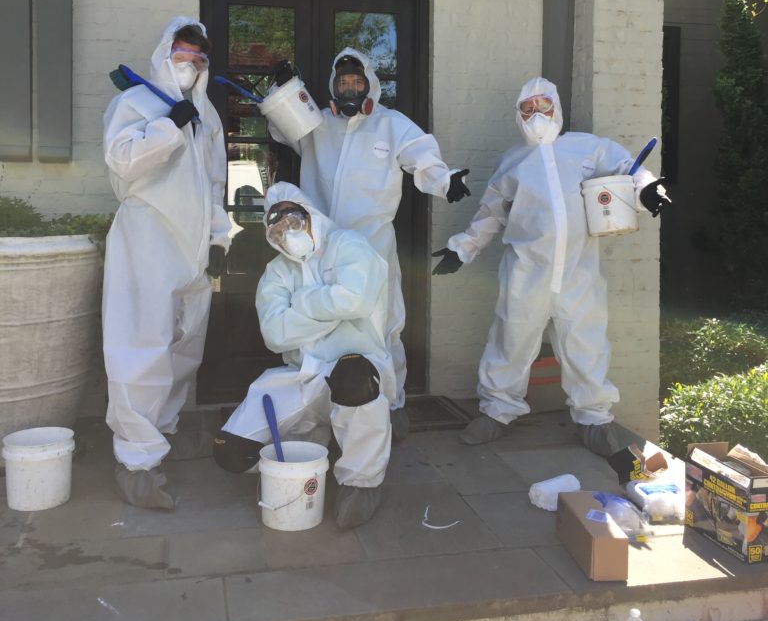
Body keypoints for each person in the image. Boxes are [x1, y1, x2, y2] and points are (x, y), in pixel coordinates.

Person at [432, 77, 670, 456]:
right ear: (518, 115)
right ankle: (497, 410)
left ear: (556, 107)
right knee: (511, 339)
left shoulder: (585, 148)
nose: (536, 114)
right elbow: (491, 213)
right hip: (527, 270)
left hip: (579, 269)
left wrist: (646, 187)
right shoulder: (512, 162)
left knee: (586, 342)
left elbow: (627, 165)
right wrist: (462, 249)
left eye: (543, 105)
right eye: (527, 108)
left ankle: (593, 418)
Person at [266, 48, 470, 440]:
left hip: (372, 245)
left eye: (357, 82)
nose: (350, 88)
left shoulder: (391, 125)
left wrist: (446, 181)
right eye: (343, 82)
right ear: (333, 86)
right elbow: (281, 127)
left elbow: (420, 157)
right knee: (317, 322)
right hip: (319, 246)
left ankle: (391, 405)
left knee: (383, 322)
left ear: (370, 84)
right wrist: (283, 89)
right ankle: (319, 405)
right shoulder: (316, 123)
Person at [102, 16, 230, 509]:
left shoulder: (208, 115)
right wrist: (167, 125)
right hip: (148, 240)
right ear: (165, 54)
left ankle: (162, 437)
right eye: (182, 54)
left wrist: (219, 240)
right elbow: (123, 161)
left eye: (199, 58)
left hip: (193, 248)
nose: (190, 64)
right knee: (141, 347)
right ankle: (136, 462)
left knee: (183, 350)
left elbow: (214, 184)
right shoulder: (134, 103)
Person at [212, 182, 394, 529]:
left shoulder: (348, 245)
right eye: (277, 229)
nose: (288, 233)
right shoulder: (278, 271)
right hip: (300, 375)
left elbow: (357, 300)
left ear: (311, 216)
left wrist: (301, 302)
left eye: (294, 220)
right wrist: (331, 303)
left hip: (354, 368)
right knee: (230, 452)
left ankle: (361, 482)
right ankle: (310, 447)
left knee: (353, 377)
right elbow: (275, 335)